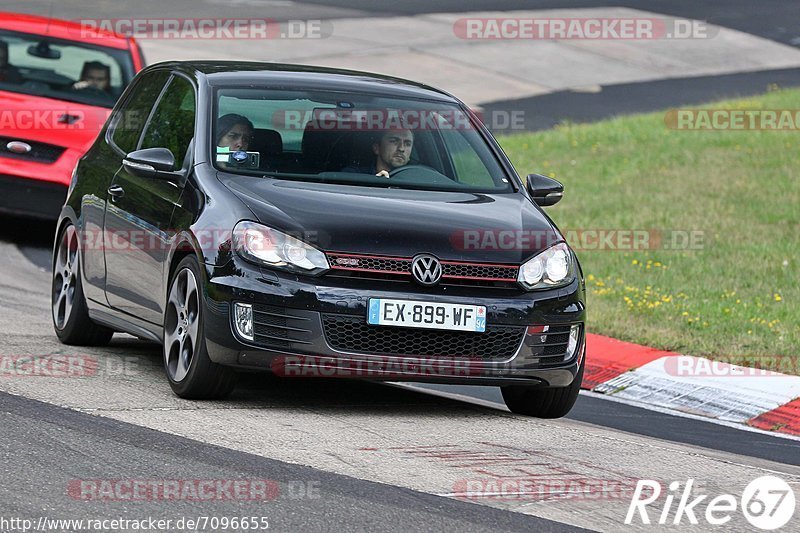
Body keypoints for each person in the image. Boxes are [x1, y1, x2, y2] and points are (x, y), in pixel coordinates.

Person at [343, 128, 414, 177]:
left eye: (407, 144)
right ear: (377, 148)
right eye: (394, 141)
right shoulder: (354, 176)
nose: (401, 149)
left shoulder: (419, 179)